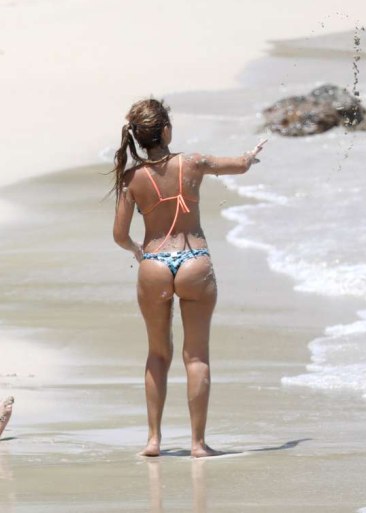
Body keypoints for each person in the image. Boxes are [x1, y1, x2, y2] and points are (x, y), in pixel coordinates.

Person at [111, 98, 266, 457]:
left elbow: (119, 235)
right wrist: (251, 155)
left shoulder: (131, 179)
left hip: (154, 263)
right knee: (196, 357)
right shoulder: (193, 163)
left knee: (157, 354)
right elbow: (240, 165)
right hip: (195, 260)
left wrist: (138, 251)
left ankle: (153, 440)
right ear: (166, 131)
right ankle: (197, 444)